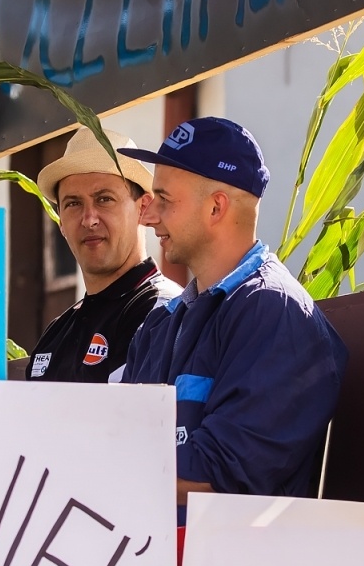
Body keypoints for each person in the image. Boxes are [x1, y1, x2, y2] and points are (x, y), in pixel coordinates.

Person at [122, 117, 347, 507]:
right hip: (154, 563)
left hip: (225, 564)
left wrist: (86, 462)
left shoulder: (276, 314)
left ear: (215, 207)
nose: (147, 215)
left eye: (164, 199)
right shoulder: (159, 324)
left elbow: (216, 472)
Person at [26, 127, 179, 383]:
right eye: (73, 203)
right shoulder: (56, 334)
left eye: (104, 199)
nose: (89, 219)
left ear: (144, 208)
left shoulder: (163, 313)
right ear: (60, 222)